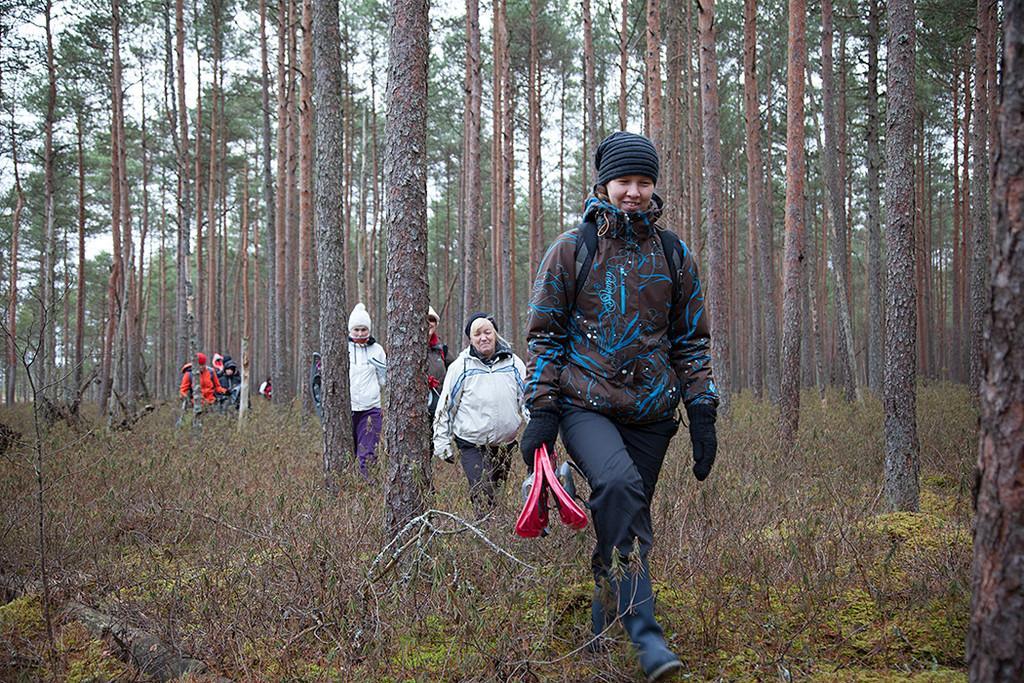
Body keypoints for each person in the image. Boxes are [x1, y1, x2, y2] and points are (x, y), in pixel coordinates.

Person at [520, 131, 718, 682]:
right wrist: (541, 411)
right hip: (587, 404)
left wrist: (703, 409)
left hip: (654, 413)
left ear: (654, 186)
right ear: (603, 183)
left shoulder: (674, 253)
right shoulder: (572, 248)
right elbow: (544, 337)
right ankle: (647, 636)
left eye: (643, 181)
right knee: (620, 488)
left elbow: (691, 341)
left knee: (627, 517)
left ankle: (601, 627)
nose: (633, 192)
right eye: (624, 181)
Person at [433, 313, 528, 518]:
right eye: (478, 334)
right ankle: (484, 531)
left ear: (495, 335)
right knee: (482, 491)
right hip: (472, 444)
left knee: (497, 492)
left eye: (487, 332)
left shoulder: (513, 363)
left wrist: (537, 425)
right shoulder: (461, 366)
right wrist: (442, 442)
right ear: (470, 339)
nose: (483, 337)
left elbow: (527, 399)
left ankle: (495, 533)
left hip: (505, 445)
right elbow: (446, 406)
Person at [348, 303, 387, 478]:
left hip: (371, 409)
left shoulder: (377, 350)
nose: (360, 333)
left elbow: (384, 380)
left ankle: (367, 487)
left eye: (364, 329)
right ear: (350, 330)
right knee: (349, 450)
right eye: (356, 329)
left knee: (367, 452)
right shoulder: (344, 349)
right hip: (348, 408)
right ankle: (347, 488)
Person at [426, 305, 451, 421]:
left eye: (432, 319)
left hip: (439, 409)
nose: (429, 323)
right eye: (425, 319)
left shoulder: (442, 350)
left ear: (436, 324)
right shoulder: (405, 349)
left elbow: (455, 372)